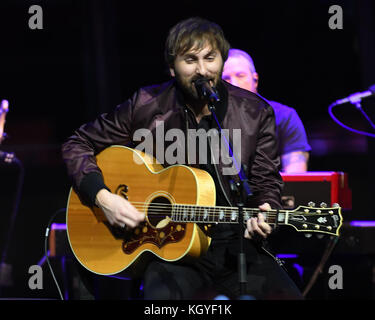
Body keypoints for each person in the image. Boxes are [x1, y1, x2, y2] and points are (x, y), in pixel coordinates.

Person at [62, 17, 303, 300]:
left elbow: (266, 182)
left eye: (210, 58)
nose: (202, 70)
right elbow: (77, 144)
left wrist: (266, 210)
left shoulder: (255, 112)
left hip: (236, 247)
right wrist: (103, 197)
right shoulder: (146, 104)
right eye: (190, 60)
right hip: (170, 251)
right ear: (172, 67)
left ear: (221, 60)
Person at [222, 49, 311, 173]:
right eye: (225, 79)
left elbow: (295, 175)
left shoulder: (284, 116)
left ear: (255, 80)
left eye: (240, 75)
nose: (234, 83)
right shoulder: (211, 117)